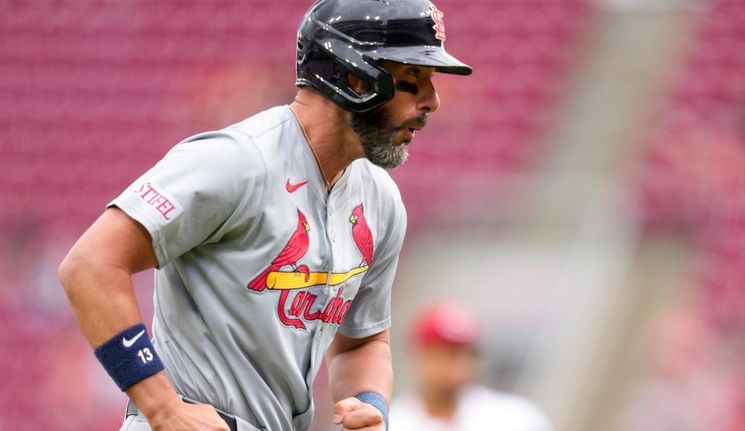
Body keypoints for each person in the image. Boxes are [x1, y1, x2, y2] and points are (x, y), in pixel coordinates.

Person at [57, 0, 472, 430]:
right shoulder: (237, 161)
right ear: (353, 76)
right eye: (413, 79)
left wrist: (370, 404)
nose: (433, 101)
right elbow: (89, 265)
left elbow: (361, 342)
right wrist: (161, 406)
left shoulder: (380, 200)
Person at [389, 300, 553, 431]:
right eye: (448, 354)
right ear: (419, 356)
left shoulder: (517, 418)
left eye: (469, 354)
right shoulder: (393, 422)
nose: (460, 366)